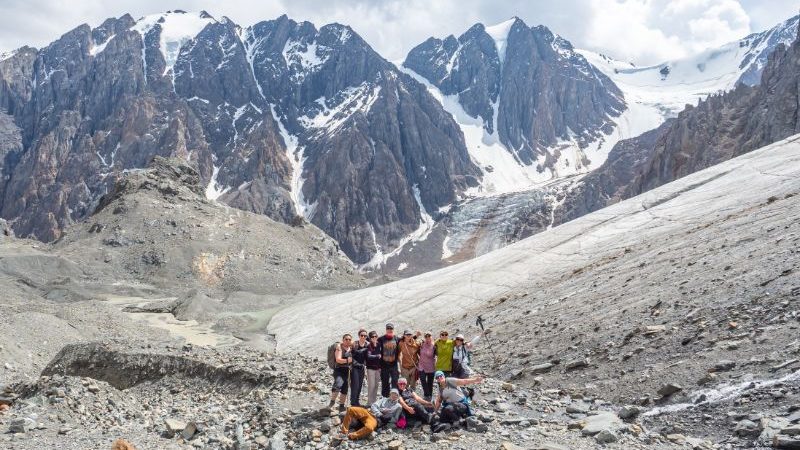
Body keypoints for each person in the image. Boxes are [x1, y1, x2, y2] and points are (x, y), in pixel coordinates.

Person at [328, 333, 353, 412]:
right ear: (343, 340)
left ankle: (341, 406)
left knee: (345, 388)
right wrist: (347, 360)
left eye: (349, 339)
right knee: (338, 384)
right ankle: (332, 402)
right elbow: (338, 359)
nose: (348, 341)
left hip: (347, 370)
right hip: (339, 370)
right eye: (346, 339)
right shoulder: (339, 347)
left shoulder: (351, 348)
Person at [377, 323, 401, 398]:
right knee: (385, 382)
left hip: (394, 364)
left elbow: (406, 339)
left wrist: (416, 336)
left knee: (395, 381)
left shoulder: (397, 338)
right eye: (388, 329)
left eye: (391, 329)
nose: (390, 330)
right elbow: (373, 343)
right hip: (384, 364)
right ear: (386, 329)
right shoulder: (381, 339)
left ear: (393, 330)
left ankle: (394, 398)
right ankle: (385, 397)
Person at [350, 329, 369, 407]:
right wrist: (356, 363)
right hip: (354, 367)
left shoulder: (367, 345)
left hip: (362, 368)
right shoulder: (355, 344)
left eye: (365, 336)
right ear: (359, 336)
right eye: (362, 335)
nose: (363, 337)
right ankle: (353, 402)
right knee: (355, 385)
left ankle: (356, 401)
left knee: (360, 385)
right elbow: (350, 356)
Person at [418, 332, 436, 401]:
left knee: (430, 382)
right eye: (426, 336)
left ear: (431, 337)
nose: (428, 338)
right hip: (422, 365)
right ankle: (426, 394)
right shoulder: (421, 344)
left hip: (431, 366)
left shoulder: (434, 345)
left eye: (429, 336)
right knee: (422, 380)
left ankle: (430, 397)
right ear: (424, 337)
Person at [365, 330, 382, 406]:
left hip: (378, 368)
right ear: (370, 338)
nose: (374, 338)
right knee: (371, 385)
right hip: (370, 369)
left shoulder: (379, 344)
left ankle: (374, 402)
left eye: (376, 336)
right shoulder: (368, 346)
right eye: (372, 337)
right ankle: (369, 402)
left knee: (376, 385)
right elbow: (368, 356)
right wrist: (377, 356)